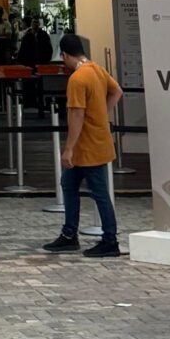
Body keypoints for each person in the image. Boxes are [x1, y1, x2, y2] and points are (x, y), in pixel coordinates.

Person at [43, 30, 122, 257]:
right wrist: (101, 114)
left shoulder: (77, 79)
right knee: (69, 184)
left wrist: (68, 147)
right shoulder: (96, 69)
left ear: (65, 54)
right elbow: (117, 91)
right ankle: (69, 234)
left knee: (99, 192)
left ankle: (110, 239)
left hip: (86, 145)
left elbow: (76, 114)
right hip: (97, 139)